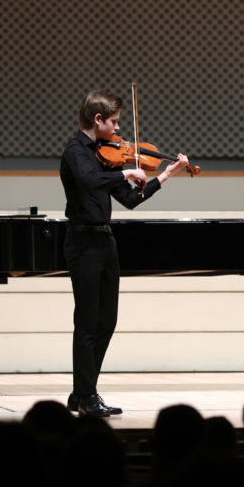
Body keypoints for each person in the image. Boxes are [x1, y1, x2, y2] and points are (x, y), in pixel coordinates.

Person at [61, 90, 189, 417]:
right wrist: (125, 173)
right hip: (83, 242)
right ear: (97, 120)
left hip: (105, 241)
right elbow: (89, 182)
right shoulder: (75, 152)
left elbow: (131, 200)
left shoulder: (108, 156)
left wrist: (165, 174)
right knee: (87, 321)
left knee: (107, 320)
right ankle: (87, 396)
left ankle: (81, 394)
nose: (118, 130)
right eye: (114, 122)